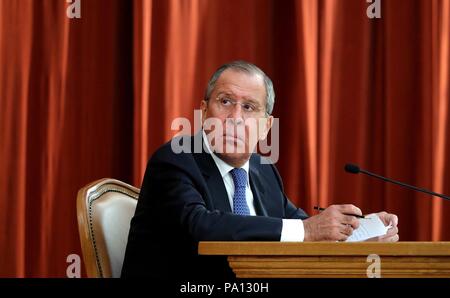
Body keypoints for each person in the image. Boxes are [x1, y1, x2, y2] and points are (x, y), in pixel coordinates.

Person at [121, 61, 399, 279]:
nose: (235, 118)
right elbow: (201, 226)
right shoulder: (175, 160)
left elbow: (298, 224)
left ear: (266, 126)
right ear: (204, 113)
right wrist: (308, 230)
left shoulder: (262, 169)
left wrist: (358, 232)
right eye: (225, 101)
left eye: (249, 107)